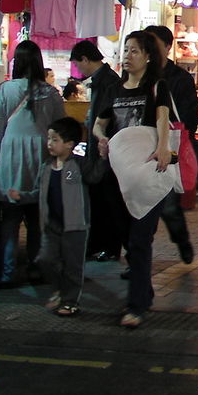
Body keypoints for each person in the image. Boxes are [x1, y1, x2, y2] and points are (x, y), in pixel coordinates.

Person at [93, 30, 177, 328]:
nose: (127, 56)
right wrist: (102, 139)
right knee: (128, 238)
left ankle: (136, 305)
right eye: (125, 51)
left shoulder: (156, 86)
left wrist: (164, 147)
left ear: (148, 56)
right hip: (116, 176)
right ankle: (145, 290)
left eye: (134, 51)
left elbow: (162, 119)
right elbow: (99, 124)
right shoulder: (114, 89)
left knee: (141, 239)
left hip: (147, 171)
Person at [0, 40, 67, 288]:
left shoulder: (5, 90)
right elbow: (61, 129)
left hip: (11, 158)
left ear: (16, 63)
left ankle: (7, 273)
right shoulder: (51, 93)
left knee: (10, 219)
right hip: (41, 157)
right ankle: (35, 269)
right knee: (36, 219)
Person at [13, 117, 101, 316]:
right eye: (49, 139)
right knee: (45, 259)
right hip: (51, 225)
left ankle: (70, 301)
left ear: (70, 144)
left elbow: (95, 176)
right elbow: (38, 192)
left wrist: (103, 158)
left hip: (75, 226)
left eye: (55, 139)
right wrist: (22, 197)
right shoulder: (46, 167)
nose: (50, 144)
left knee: (73, 266)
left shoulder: (78, 165)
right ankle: (60, 290)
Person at [144, 25, 196, 264]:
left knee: (168, 206)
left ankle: (182, 240)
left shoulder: (181, 78)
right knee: (141, 208)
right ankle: (139, 255)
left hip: (169, 150)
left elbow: (189, 119)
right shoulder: (141, 76)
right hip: (143, 148)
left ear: (167, 47)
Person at [70, 40, 124, 263]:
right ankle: (100, 245)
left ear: (85, 59)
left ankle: (108, 247)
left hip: (106, 151)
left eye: (77, 63)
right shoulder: (103, 81)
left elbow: (108, 118)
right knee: (99, 199)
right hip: (100, 150)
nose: (78, 69)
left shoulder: (109, 82)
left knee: (105, 200)